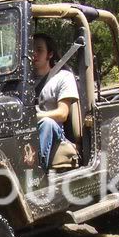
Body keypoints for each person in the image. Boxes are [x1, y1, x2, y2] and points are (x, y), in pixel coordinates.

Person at [31, 33, 79, 169]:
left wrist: (35, 117)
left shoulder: (63, 77)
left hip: (56, 132)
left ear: (50, 54)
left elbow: (62, 114)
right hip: (28, 131)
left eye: (39, 50)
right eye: (30, 50)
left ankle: (37, 174)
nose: (34, 54)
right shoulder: (22, 83)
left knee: (47, 123)